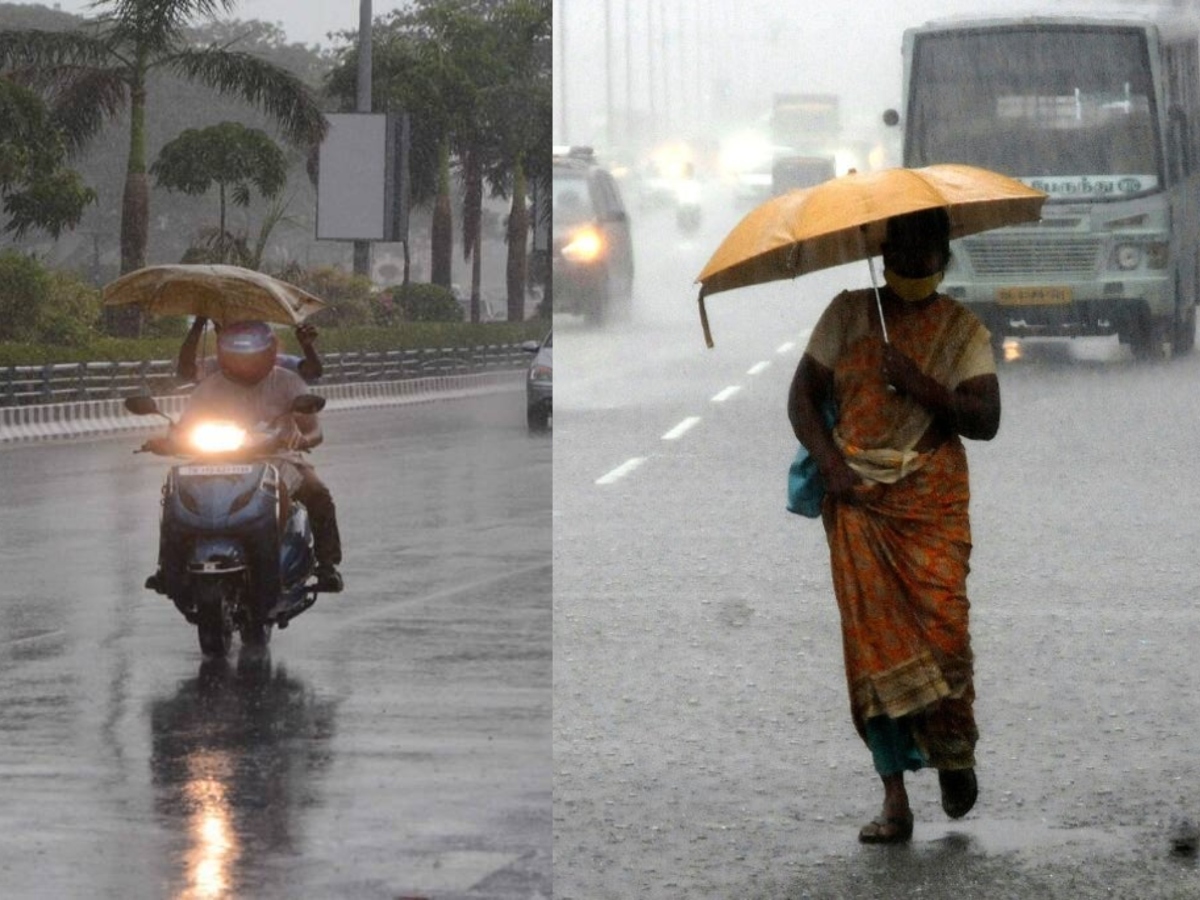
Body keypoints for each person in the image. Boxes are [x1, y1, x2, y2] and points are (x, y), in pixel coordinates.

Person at [787, 207, 1001, 844]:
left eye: (925, 256)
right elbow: (801, 399)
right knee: (872, 655)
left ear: (944, 258)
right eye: (901, 255)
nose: (913, 267)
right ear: (883, 256)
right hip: (857, 506)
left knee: (945, 635)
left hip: (930, 505)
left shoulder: (961, 332)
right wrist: (834, 469)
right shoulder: (849, 315)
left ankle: (954, 754)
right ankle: (894, 797)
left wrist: (918, 383)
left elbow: (985, 419)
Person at [149, 320, 343, 593]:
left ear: (269, 352)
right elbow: (186, 427)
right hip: (216, 459)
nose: (245, 363)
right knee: (175, 492)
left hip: (279, 457)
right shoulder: (209, 387)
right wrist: (168, 442)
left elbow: (314, 431)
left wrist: (302, 439)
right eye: (238, 356)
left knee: (318, 492)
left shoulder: (288, 381)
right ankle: (168, 567)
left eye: (252, 356)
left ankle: (327, 566)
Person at [177, 316, 323, 384]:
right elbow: (186, 371)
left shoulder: (280, 364)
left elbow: (314, 371)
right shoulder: (217, 366)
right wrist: (198, 324)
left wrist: (307, 346)